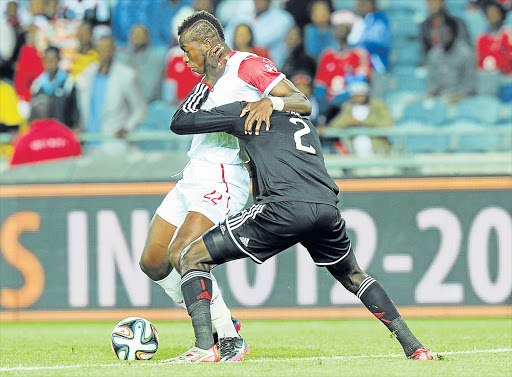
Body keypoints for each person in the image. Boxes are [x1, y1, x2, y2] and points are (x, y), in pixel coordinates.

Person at [164, 46, 434, 363]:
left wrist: (208, 82)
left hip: (282, 208)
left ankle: (205, 347)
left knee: (191, 256)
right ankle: (415, 347)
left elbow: (182, 122)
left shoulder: (247, 109)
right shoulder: (304, 122)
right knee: (355, 276)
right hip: (325, 206)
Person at [138, 10, 311, 363]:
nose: (184, 58)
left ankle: (221, 341)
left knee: (184, 254)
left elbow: (301, 101)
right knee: (153, 262)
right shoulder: (207, 80)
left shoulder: (247, 65)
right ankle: (223, 320)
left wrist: (270, 101)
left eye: (188, 51)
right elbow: (181, 120)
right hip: (192, 174)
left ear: (209, 44)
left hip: (223, 176)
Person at [76, 35, 146, 152]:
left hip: (114, 144)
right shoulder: (89, 73)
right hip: (90, 144)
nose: (105, 52)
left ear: (114, 50)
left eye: (107, 48)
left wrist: (127, 128)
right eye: (101, 48)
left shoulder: (126, 75)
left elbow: (140, 109)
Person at [314, 10, 371, 117]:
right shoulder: (327, 54)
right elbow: (320, 82)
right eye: (337, 28)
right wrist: (323, 99)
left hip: (351, 104)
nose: (340, 31)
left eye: (343, 28)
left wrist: (341, 98)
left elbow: (360, 81)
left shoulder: (359, 54)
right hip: (328, 107)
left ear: (349, 30)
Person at [329, 80, 393, 156]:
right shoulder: (348, 107)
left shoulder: (378, 106)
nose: (358, 97)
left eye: (361, 94)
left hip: (377, 150)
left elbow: (388, 122)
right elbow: (335, 124)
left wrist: (362, 122)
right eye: (356, 95)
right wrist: (347, 122)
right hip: (354, 152)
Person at [426, 17, 476, 102]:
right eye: (440, 32)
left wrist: (452, 97)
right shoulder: (433, 54)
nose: (442, 36)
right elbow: (432, 83)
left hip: (460, 99)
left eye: (445, 32)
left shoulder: (466, 54)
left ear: (454, 33)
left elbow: (469, 87)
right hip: (439, 99)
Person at [30, 46, 79, 130]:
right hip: (43, 133)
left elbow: (75, 112)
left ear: (58, 60)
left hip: (62, 133)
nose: (50, 63)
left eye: (53, 59)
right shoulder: (38, 84)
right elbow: (33, 114)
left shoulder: (68, 83)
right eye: (47, 60)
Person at [117, 24, 167, 103]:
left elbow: (149, 92)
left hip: (149, 105)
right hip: (127, 105)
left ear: (147, 38)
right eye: (134, 34)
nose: (136, 37)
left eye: (140, 35)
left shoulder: (155, 59)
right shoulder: (124, 58)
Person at [420, 0, 471, 64]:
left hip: (456, 64)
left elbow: (466, 48)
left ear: (443, 2)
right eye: (430, 1)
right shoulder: (424, 25)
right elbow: (424, 52)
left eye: (436, 1)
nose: (433, 4)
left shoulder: (457, 23)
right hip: (434, 65)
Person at [348, 0, 392, 73]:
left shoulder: (380, 20)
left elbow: (375, 42)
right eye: (359, 2)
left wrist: (352, 49)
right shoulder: (355, 21)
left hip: (375, 69)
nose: (361, 5)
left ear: (373, 3)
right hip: (354, 68)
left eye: (365, 2)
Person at [476, 0, 512, 74]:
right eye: (490, 14)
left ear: (501, 15)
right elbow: (479, 62)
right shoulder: (482, 38)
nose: (492, 16)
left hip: (507, 77)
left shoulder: (508, 35)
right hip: (489, 78)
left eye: (495, 13)